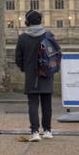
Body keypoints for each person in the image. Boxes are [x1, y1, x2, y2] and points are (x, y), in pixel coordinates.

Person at [15, 10, 58, 142]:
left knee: (33, 104)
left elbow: (18, 59)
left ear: (27, 22)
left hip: (31, 75)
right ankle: (47, 130)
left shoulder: (22, 38)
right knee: (47, 104)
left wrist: (26, 68)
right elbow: (55, 54)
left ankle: (34, 132)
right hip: (47, 73)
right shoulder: (49, 35)